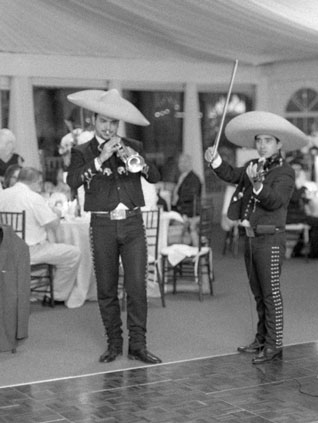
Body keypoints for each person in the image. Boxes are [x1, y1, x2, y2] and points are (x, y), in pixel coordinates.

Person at [66, 89, 162, 365]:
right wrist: (100, 159)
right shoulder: (82, 151)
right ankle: (113, 343)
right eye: (103, 122)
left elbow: (155, 176)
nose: (108, 128)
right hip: (102, 225)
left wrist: (137, 160)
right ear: (93, 121)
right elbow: (73, 181)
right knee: (107, 289)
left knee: (136, 287)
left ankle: (138, 345)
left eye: (113, 123)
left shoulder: (134, 145)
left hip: (132, 224)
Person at [204, 111, 306, 364]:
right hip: (252, 238)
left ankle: (274, 344)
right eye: (259, 140)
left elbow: (276, 201)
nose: (261, 145)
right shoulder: (254, 165)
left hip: (270, 239)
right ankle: (262, 338)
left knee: (270, 293)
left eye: (268, 140)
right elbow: (231, 175)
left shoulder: (285, 172)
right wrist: (216, 161)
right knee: (258, 293)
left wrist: (257, 185)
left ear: (279, 144)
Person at [0, 167, 80, 304]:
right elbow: (52, 224)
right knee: (74, 253)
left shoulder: (3, 194)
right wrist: (58, 213)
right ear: (35, 182)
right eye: (40, 183)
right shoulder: (33, 198)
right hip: (28, 251)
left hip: (5, 249)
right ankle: (56, 295)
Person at [287, 158, 318, 258]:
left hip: (296, 215)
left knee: (314, 222)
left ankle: (297, 250)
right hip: (291, 216)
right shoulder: (287, 181)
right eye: (294, 169)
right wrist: (303, 188)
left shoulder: (292, 181)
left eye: (299, 169)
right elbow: (294, 198)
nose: (297, 172)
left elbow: (296, 196)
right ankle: (314, 252)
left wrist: (306, 200)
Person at [171, 153, 203, 217]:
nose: (181, 164)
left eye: (184, 162)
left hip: (187, 213)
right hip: (180, 210)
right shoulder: (182, 177)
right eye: (180, 162)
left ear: (190, 163)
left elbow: (191, 196)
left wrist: (176, 202)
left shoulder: (194, 179)